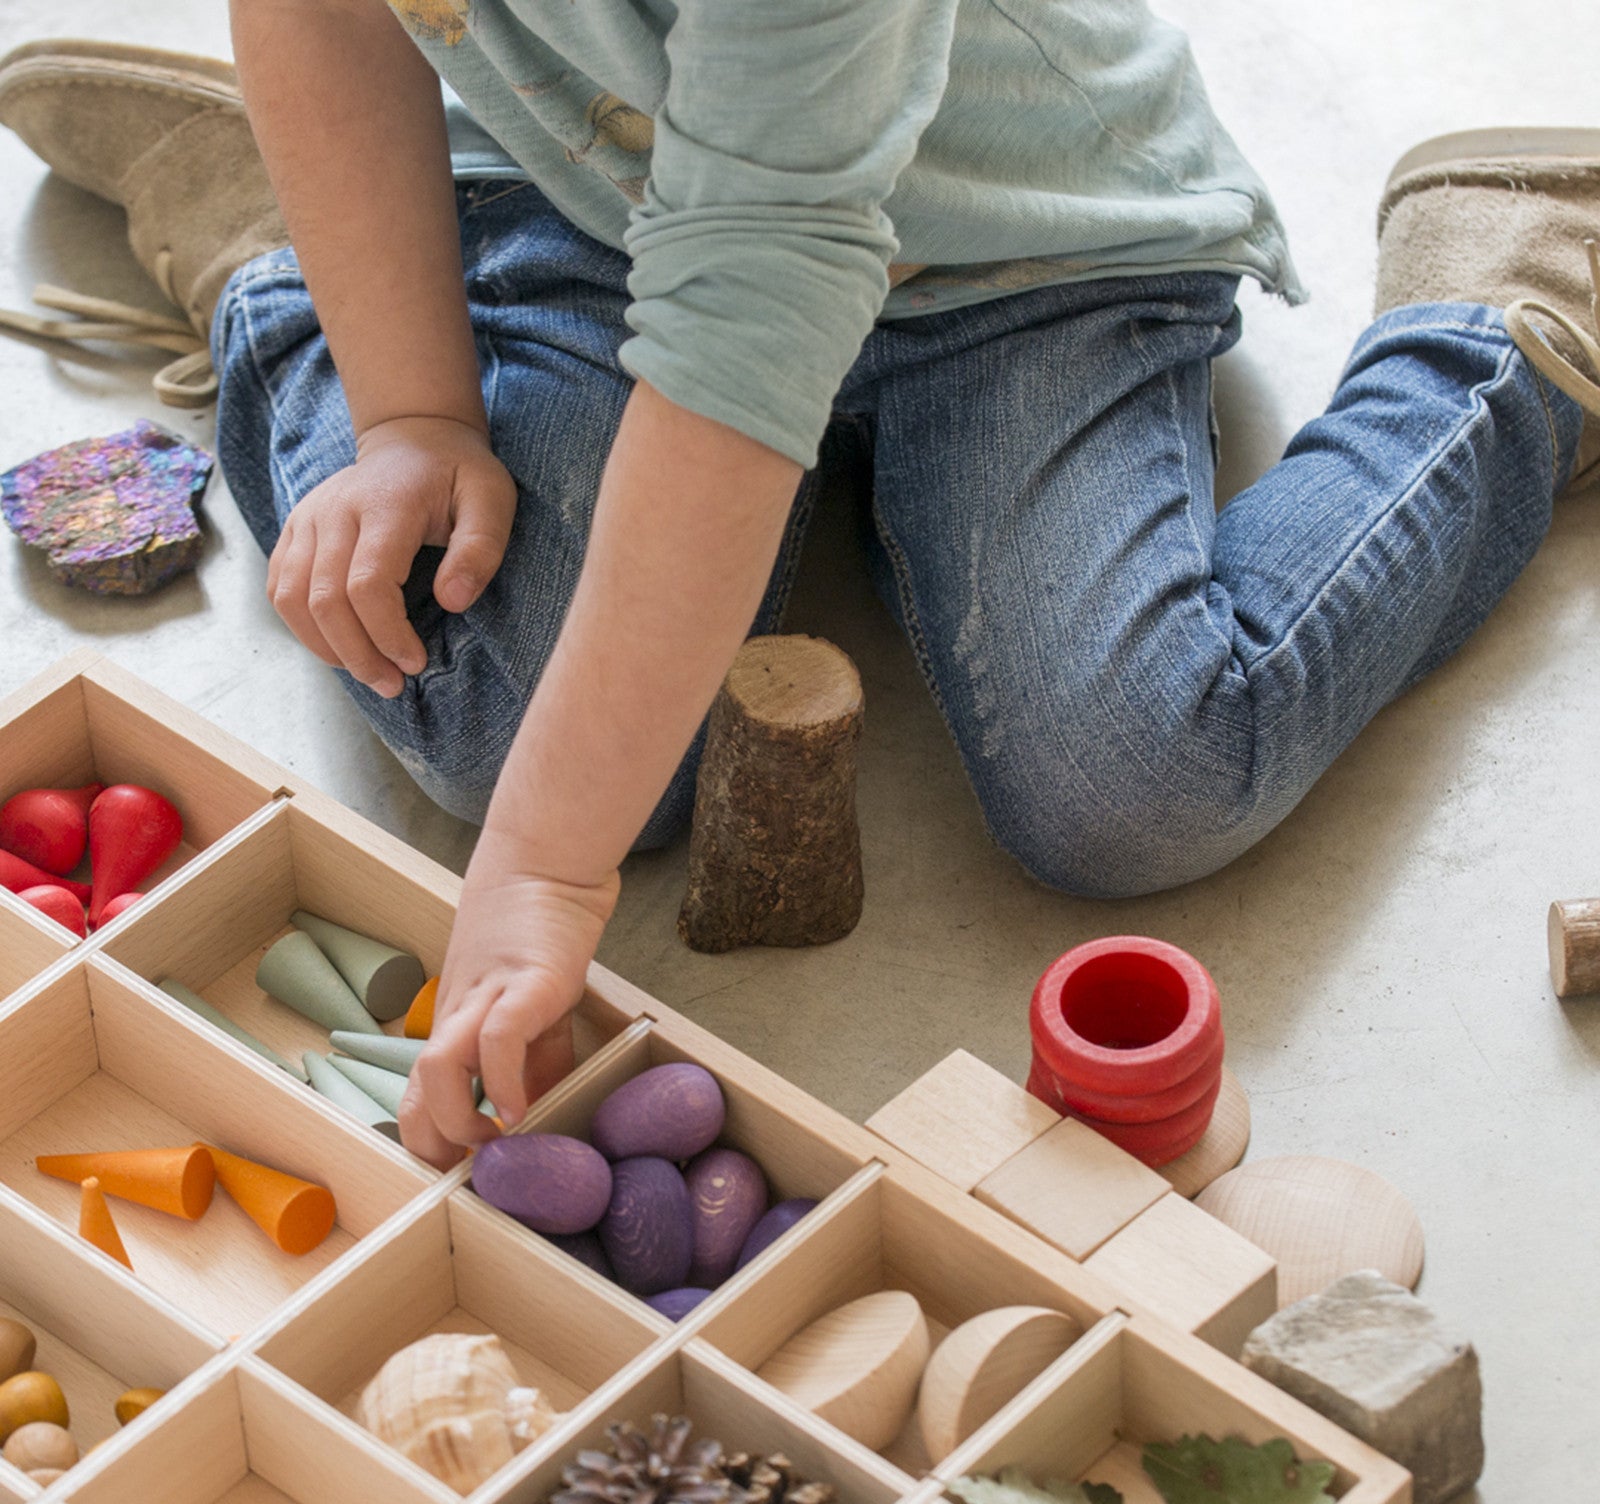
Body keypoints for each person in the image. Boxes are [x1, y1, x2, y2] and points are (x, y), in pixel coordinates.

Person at [1, 6, 1596, 1170]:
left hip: (1017, 242)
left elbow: (739, 345)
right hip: (578, 188)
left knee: (1142, 781)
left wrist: (549, 874)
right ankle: (288, 237)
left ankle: (1496, 318)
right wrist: (410, 407)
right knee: (491, 712)